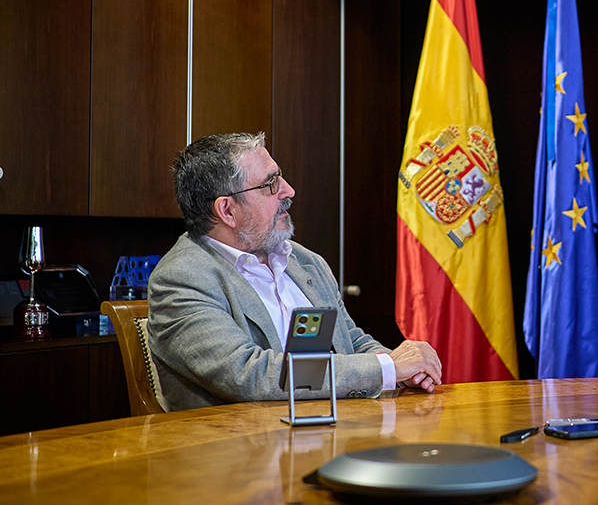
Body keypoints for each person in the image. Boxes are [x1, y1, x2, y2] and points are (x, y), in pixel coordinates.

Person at [148, 132, 442, 411]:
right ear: (227, 211)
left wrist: (406, 368)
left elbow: (349, 340)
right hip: (242, 451)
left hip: (336, 434)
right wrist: (385, 368)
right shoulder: (182, 279)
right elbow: (250, 375)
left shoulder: (304, 261)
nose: (289, 190)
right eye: (270, 184)